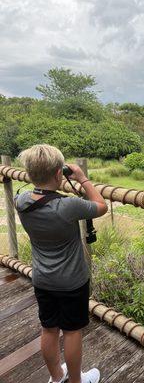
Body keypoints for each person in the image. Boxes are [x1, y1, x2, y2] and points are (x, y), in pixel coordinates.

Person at [14, 144, 108, 383]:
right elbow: (101, 206)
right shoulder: (67, 206)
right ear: (59, 174)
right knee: (72, 331)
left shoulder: (22, 201)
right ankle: (77, 381)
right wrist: (83, 179)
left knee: (48, 328)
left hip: (42, 279)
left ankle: (57, 378)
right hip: (72, 282)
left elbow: (34, 192)